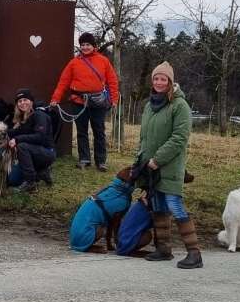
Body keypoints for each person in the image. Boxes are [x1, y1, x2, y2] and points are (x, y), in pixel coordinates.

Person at [135, 61, 202, 269]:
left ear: (170, 81)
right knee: (158, 205)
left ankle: (194, 253)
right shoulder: (149, 105)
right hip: (150, 165)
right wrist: (141, 158)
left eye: (163, 79)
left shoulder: (180, 105)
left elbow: (179, 137)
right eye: (156, 78)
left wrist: (158, 159)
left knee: (174, 204)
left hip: (169, 166)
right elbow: (144, 136)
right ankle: (164, 249)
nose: (159, 82)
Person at [48, 32, 120, 171]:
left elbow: (112, 81)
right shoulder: (74, 63)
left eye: (88, 45)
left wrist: (114, 99)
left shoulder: (103, 61)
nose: (85, 47)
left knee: (99, 131)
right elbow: (63, 82)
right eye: (83, 45)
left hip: (98, 102)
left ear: (94, 46)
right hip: (78, 102)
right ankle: (84, 159)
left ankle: (101, 161)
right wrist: (55, 99)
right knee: (82, 131)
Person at [6, 89, 54, 194]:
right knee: (12, 180)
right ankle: (42, 172)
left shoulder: (39, 115)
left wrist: (17, 139)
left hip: (46, 153)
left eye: (25, 100)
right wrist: (0, 132)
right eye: (19, 101)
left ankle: (30, 182)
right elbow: (14, 132)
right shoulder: (25, 118)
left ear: (31, 101)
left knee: (22, 146)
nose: (22, 103)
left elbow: (39, 137)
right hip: (32, 153)